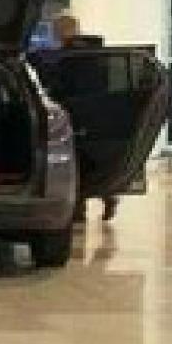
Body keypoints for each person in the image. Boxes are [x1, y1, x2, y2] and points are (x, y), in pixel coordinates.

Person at [52, 14, 120, 223]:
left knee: (76, 161)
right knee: (93, 160)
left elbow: (61, 87)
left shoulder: (68, 58)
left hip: (74, 113)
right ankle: (107, 195)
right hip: (98, 114)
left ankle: (79, 209)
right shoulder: (96, 53)